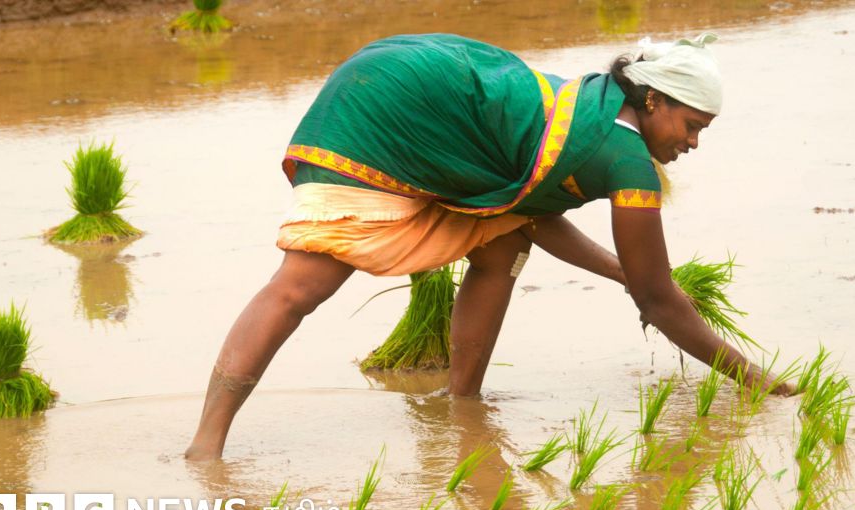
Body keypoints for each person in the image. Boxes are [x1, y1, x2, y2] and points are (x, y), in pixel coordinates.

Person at [185, 32, 790, 460]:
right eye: (692, 125)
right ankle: (205, 448)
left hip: (406, 72)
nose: (693, 142)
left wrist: (629, 278)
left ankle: (461, 402)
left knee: (499, 250)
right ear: (653, 100)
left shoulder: (592, 107)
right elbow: (659, 300)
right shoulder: (625, 159)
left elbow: (530, 219)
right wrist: (754, 378)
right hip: (395, 107)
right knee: (302, 286)